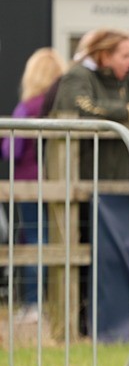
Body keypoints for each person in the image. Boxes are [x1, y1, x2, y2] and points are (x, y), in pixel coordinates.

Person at [51, 28, 129, 179]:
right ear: (105, 56)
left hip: (125, 179)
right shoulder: (77, 75)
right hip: (82, 180)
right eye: (125, 56)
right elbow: (80, 107)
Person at [1, 47, 68, 307]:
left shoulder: (27, 108)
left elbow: (11, 150)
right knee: (56, 242)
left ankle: (32, 306)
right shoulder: (57, 107)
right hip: (59, 183)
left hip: (29, 184)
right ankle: (55, 304)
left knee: (34, 243)